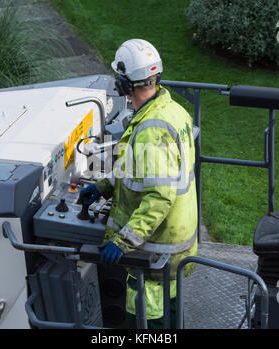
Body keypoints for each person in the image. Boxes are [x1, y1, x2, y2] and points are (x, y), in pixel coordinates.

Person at [79, 38, 198, 329]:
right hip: (174, 239)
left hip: (157, 250)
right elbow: (137, 168)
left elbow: (159, 196)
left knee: (147, 321)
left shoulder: (150, 130)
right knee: (170, 308)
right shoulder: (172, 110)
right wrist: (103, 186)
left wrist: (122, 242)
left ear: (125, 85)